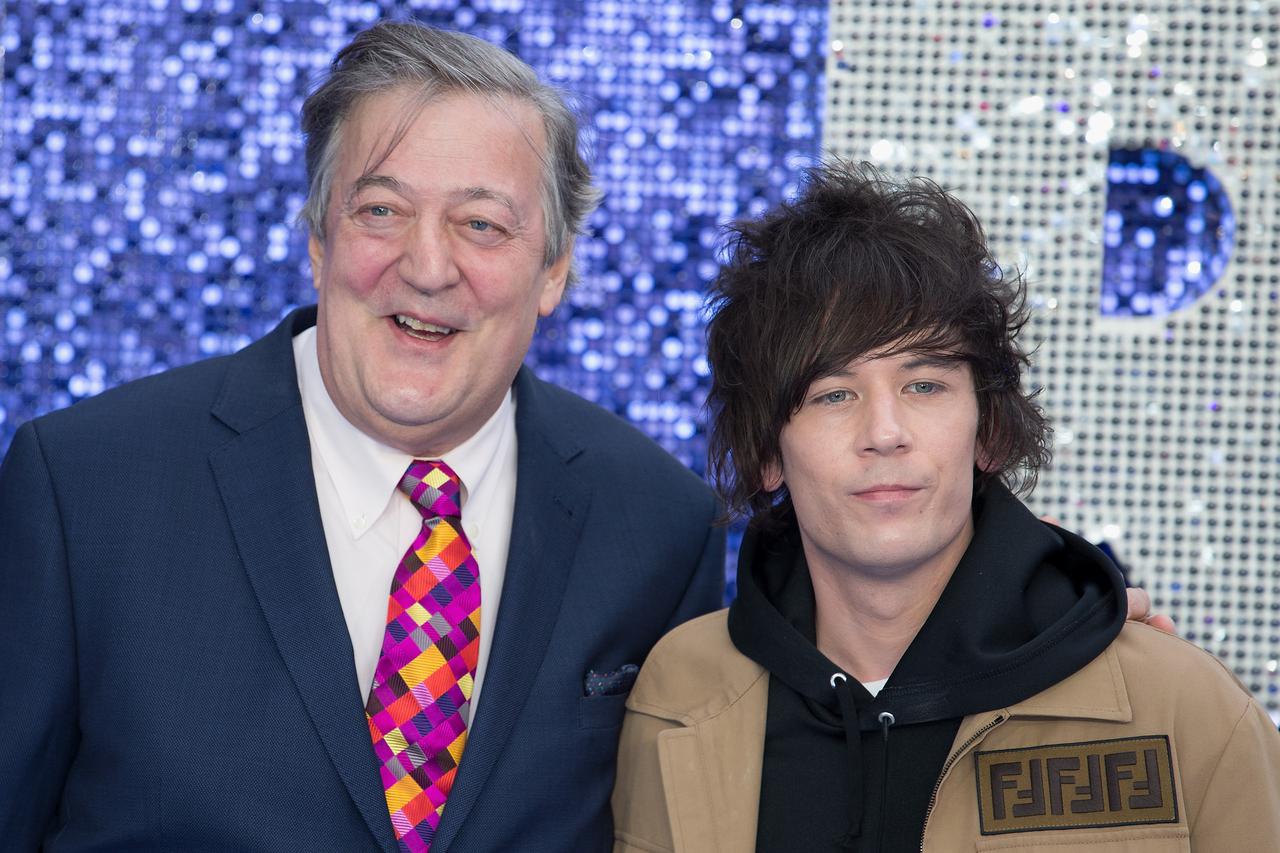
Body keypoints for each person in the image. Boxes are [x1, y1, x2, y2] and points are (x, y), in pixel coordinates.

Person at [0, 22, 725, 852]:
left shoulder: (660, 527)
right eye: (382, 210)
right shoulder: (83, 488)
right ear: (318, 239)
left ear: (554, 268)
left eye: (481, 225)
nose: (427, 265)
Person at [612, 162, 1280, 851]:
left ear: (988, 430)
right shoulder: (675, 693)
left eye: (925, 385)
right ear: (768, 453)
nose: (884, 433)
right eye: (833, 394)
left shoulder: (1178, 705)